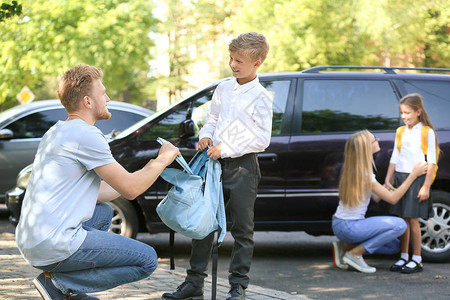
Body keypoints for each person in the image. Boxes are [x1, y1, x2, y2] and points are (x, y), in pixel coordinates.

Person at [15, 64, 180, 300]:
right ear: (88, 102)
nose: (108, 98)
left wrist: (143, 176)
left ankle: (71, 292)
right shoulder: (86, 134)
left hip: (32, 239)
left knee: (102, 212)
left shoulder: (57, 131)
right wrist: (161, 160)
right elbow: (131, 190)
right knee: (147, 260)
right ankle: (60, 284)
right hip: (53, 243)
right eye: (103, 93)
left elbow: (102, 192)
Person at [162, 32, 272, 300]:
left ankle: (238, 287)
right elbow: (212, 118)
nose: (233, 65)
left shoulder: (261, 97)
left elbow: (262, 138)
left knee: (242, 229)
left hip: (243, 168)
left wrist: (228, 148)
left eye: (240, 61)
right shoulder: (223, 88)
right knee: (203, 223)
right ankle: (194, 282)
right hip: (213, 165)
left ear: (257, 63)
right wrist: (206, 136)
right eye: (231, 59)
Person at [331, 130, 427, 273]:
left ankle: (345, 246)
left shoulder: (355, 170)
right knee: (400, 225)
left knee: (393, 246)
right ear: (366, 148)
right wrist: (413, 175)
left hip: (339, 224)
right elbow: (393, 199)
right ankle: (354, 254)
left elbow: (375, 198)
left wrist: (384, 187)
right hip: (350, 226)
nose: (378, 139)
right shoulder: (365, 174)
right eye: (374, 139)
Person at [384, 93, 439, 273]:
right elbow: (395, 155)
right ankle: (403, 256)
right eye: (402, 113)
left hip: (416, 179)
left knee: (413, 220)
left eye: (408, 112)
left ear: (418, 112)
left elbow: (431, 161)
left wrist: (426, 186)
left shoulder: (426, 132)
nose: (404, 116)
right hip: (400, 177)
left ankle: (417, 258)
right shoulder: (400, 131)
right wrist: (388, 177)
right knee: (403, 220)